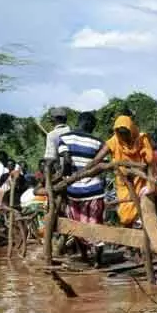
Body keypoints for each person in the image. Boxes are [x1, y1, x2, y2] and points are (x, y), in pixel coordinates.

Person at [89, 114, 156, 228]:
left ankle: (141, 235)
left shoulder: (141, 139)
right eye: (120, 133)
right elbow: (97, 159)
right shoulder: (114, 141)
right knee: (125, 213)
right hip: (123, 181)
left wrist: (145, 177)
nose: (123, 137)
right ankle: (130, 239)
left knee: (142, 209)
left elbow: (149, 161)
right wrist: (85, 170)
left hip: (140, 179)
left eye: (126, 133)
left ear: (131, 130)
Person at [57, 111, 107, 260]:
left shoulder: (65, 138)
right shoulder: (99, 142)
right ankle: (98, 260)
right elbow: (104, 165)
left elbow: (66, 161)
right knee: (96, 224)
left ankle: (84, 256)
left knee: (77, 225)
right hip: (94, 190)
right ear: (89, 124)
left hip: (74, 191)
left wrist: (67, 178)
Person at [43, 107, 71, 172]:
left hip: (62, 172)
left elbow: (49, 159)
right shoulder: (72, 132)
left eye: (52, 118)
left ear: (56, 119)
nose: (51, 121)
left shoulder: (51, 135)